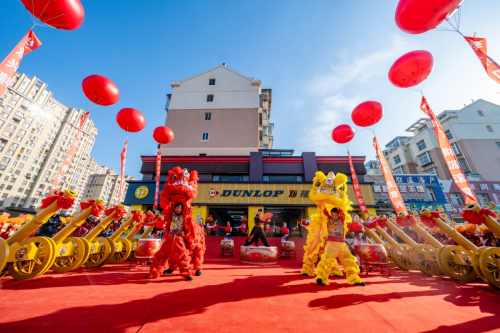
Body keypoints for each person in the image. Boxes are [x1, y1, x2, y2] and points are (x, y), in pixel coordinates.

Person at [315, 208, 365, 286]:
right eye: (333, 215)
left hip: (342, 244)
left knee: (348, 261)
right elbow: (324, 214)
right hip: (331, 243)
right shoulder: (328, 219)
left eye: (336, 215)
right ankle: (321, 278)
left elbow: (342, 212)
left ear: (338, 214)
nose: (334, 217)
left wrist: (340, 209)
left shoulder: (341, 219)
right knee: (326, 261)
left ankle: (354, 279)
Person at [146, 202, 193, 281]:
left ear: (182, 209)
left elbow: (188, 222)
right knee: (161, 254)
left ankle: (187, 274)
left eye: (179, 208)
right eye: (176, 208)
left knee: (183, 256)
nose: (177, 209)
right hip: (169, 238)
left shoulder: (185, 216)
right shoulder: (171, 215)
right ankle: (153, 273)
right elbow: (166, 207)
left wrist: (185, 231)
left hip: (179, 239)